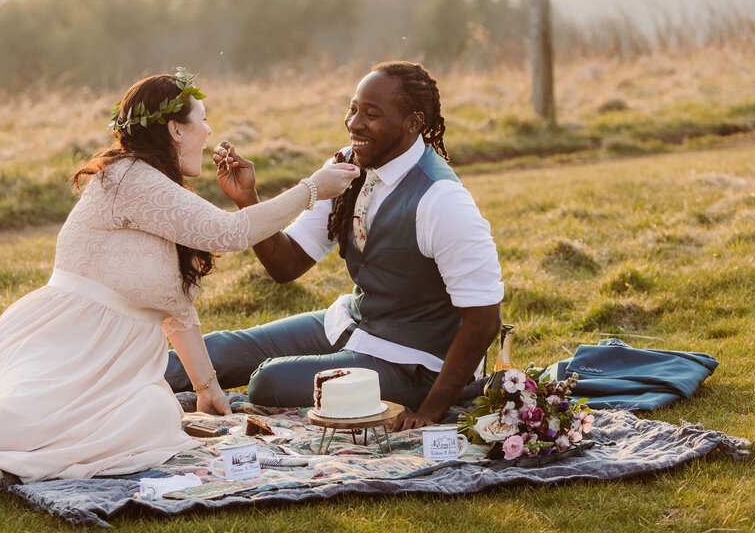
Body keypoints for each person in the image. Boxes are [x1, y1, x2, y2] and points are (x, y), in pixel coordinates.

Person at [0, 70, 358, 498]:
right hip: (67, 338)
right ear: (173, 129)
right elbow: (230, 232)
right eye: (201, 121)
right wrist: (314, 186)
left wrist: (208, 390)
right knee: (26, 417)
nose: (210, 132)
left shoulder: (163, 197)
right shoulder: (128, 179)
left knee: (156, 417)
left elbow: (175, 311)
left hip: (116, 359)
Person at [166, 61, 503, 431]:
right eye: (353, 108)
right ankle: (103, 386)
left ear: (412, 122)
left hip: (412, 363)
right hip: (349, 322)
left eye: (371, 114)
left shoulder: (442, 200)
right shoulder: (346, 166)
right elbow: (287, 264)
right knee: (217, 350)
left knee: (269, 381)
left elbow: (484, 320)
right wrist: (250, 200)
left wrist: (431, 410)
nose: (354, 123)